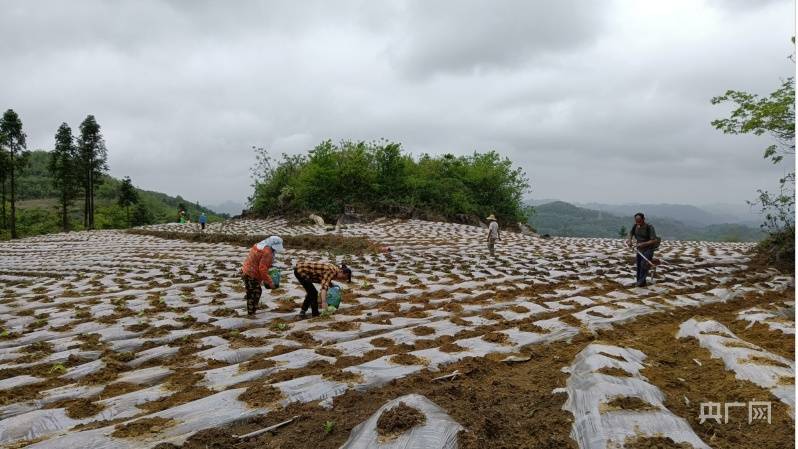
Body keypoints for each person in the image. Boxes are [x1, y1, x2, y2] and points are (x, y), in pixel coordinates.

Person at [240, 236, 284, 316]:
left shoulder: (259, 245)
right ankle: (251, 314)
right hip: (251, 274)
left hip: (246, 270)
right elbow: (262, 269)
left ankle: (251, 311)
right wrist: (270, 282)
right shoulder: (267, 252)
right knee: (255, 293)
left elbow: (259, 262)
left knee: (252, 292)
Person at [627, 213, 659, 287]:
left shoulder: (649, 227)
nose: (638, 222)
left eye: (639, 221)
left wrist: (643, 244)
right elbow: (631, 233)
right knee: (639, 265)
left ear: (643, 219)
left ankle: (640, 282)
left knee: (644, 264)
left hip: (648, 249)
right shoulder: (635, 226)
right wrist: (629, 240)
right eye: (636, 221)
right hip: (639, 249)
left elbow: (653, 240)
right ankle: (640, 281)